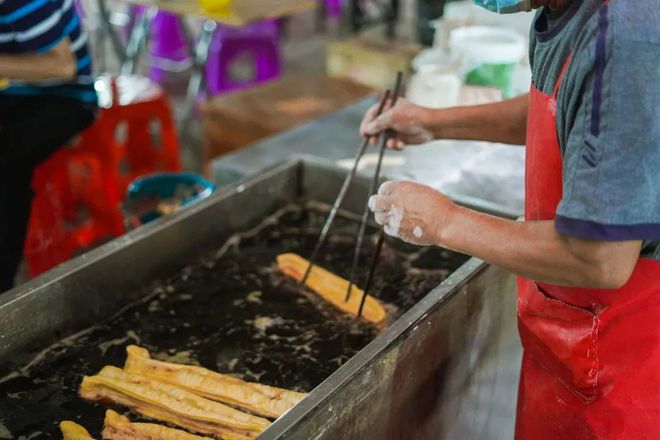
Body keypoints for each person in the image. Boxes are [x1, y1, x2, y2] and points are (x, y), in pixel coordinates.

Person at [362, 0, 659, 438]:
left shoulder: (627, 37)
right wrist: (433, 122)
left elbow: (600, 261)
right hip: (571, 336)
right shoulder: (567, 9)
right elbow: (562, 107)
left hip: (626, 364)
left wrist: (443, 221)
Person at [0, 0, 97, 292]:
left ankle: (4, 291)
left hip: (65, 97)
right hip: (13, 90)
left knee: (6, 166)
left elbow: (63, 65)